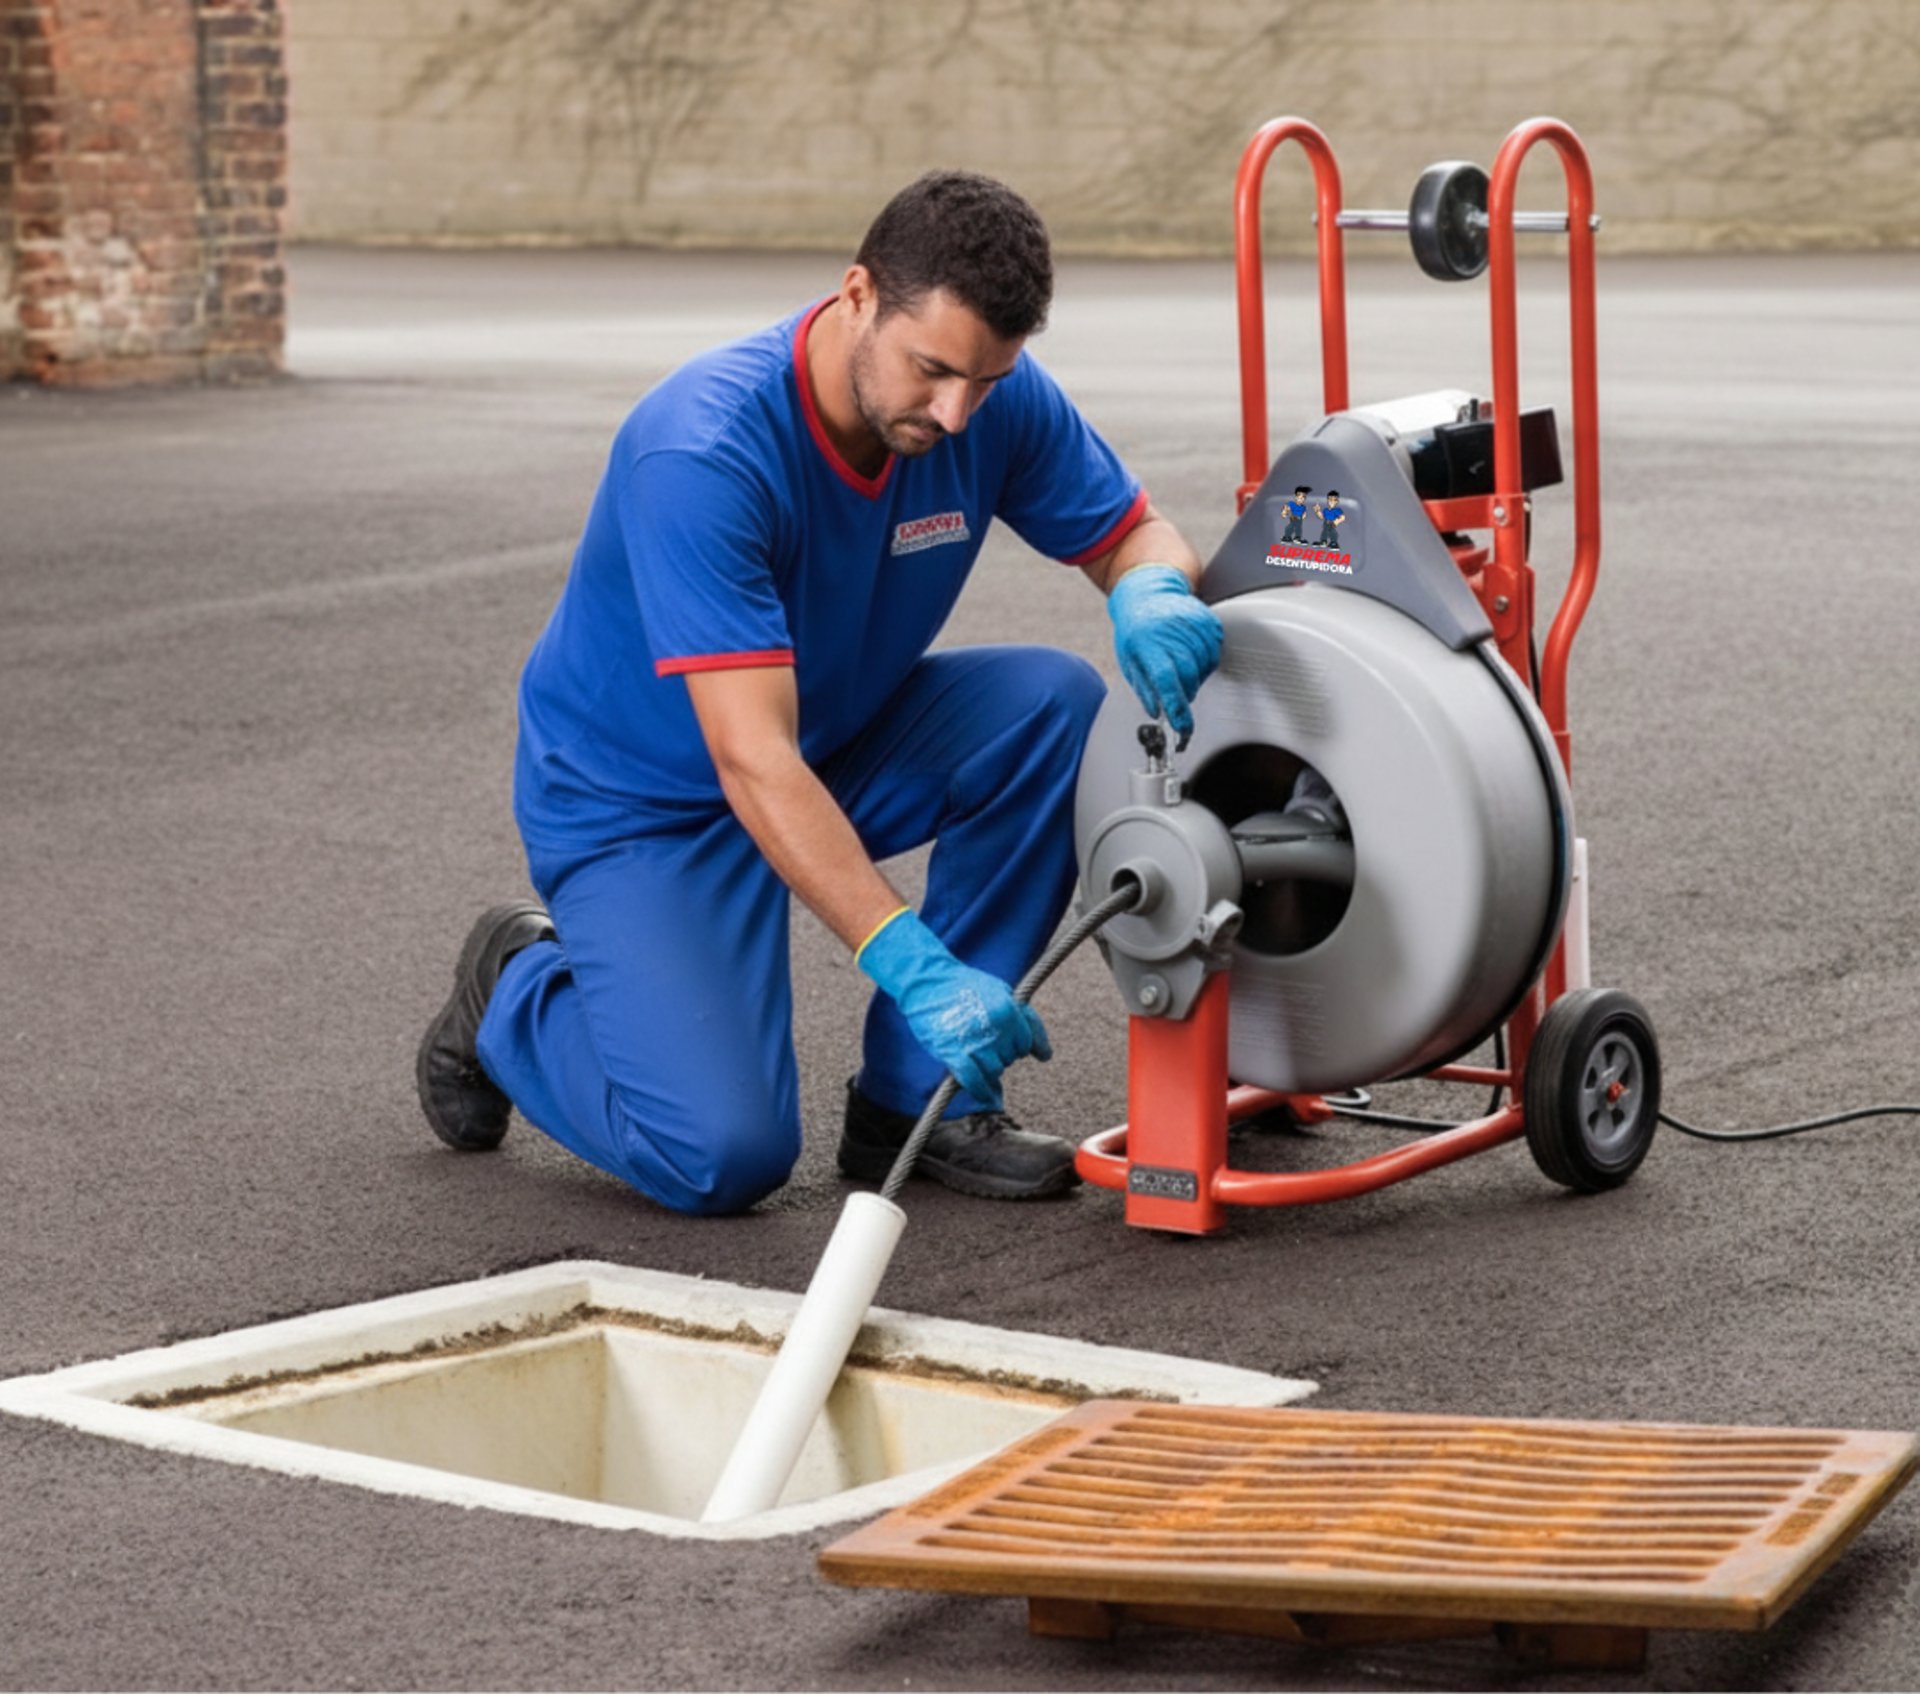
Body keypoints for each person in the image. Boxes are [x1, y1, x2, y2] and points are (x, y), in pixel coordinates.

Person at [416, 171, 1222, 1215]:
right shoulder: (703, 451)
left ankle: (914, 1101)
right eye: (931, 370)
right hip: (648, 802)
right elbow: (753, 760)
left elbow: (1132, 531)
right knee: (719, 1154)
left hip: (835, 734)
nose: (956, 411)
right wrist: (920, 969)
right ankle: (515, 982)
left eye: (985, 380)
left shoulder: (986, 397)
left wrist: (1153, 587)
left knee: (1053, 709)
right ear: (856, 296)